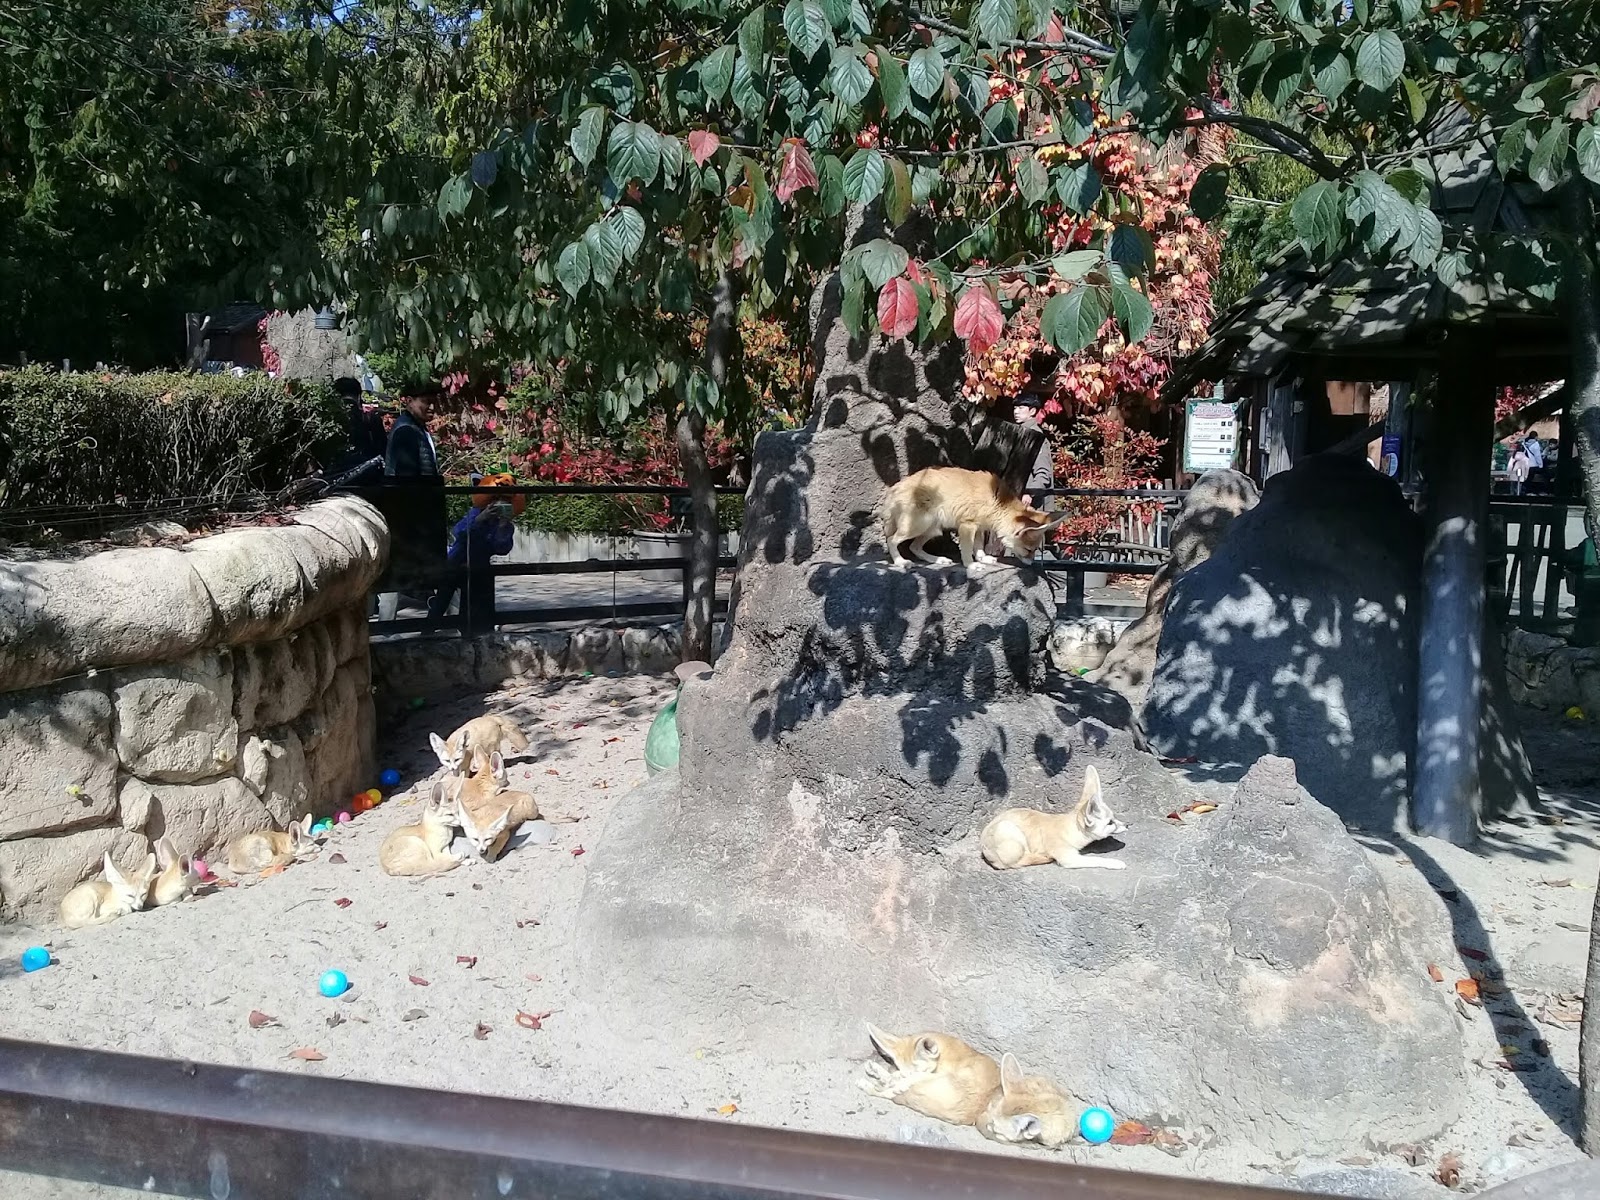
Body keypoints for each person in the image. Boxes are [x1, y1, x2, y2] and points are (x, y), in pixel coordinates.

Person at [373, 387, 447, 621]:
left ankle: (388, 625)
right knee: (403, 570)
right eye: (426, 401)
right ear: (409, 401)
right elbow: (407, 477)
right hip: (410, 513)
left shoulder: (415, 428)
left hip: (413, 513)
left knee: (401, 572)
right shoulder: (406, 431)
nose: (431, 407)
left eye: (433, 401)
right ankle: (388, 626)